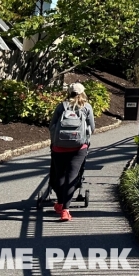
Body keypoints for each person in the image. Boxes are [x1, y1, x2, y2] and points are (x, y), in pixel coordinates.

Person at [48, 82, 95, 221]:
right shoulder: (86, 107)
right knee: (72, 177)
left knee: (60, 176)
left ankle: (60, 203)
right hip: (78, 148)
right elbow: (92, 128)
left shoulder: (61, 106)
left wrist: (56, 141)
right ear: (82, 93)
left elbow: (52, 126)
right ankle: (65, 211)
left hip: (59, 147)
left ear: (69, 92)